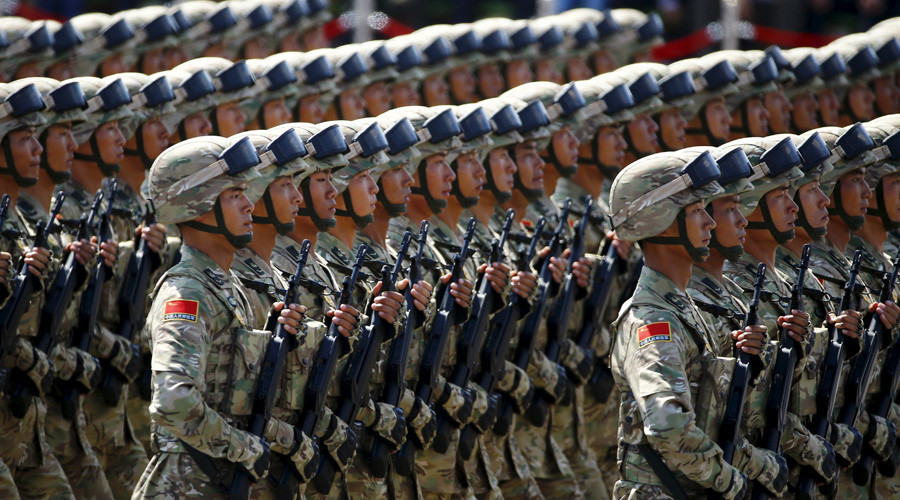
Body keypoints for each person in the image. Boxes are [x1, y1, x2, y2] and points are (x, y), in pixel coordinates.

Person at [133, 135, 305, 499]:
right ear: (198, 207)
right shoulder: (187, 294)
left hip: (219, 478)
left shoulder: (227, 285)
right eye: (234, 195)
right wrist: (243, 447)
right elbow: (174, 403)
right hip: (187, 483)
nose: (249, 205)